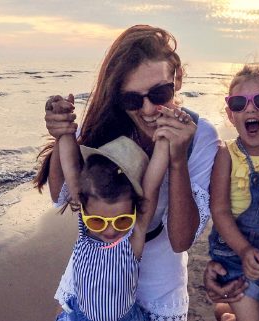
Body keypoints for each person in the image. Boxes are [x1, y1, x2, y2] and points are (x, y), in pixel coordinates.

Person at [35, 25, 220, 320]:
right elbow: (64, 194)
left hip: (159, 290)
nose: (147, 110)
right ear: (118, 96)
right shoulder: (106, 125)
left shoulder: (200, 135)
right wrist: (62, 134)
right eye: (132, 100)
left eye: (160, 93)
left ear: (178, 79)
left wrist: (176, 160)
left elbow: (181, 240)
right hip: (88, 287)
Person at [55, 129, 171, 320]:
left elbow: (152, 185)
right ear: (84, 209)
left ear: (134, 211)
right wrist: (66, 131)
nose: (111, 230)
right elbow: (70, 168)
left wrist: (163, 143)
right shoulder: (85, 231)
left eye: (122, 221)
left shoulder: (133, 238)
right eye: (97, 222)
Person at [208, 64, 259, 321]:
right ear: (230, 114)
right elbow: (219, 210)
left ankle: (226, 315)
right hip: (234, 255)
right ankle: (226, 313)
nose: (250, 108)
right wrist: (243, 249)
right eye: (239, 103)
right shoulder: (227, 154)